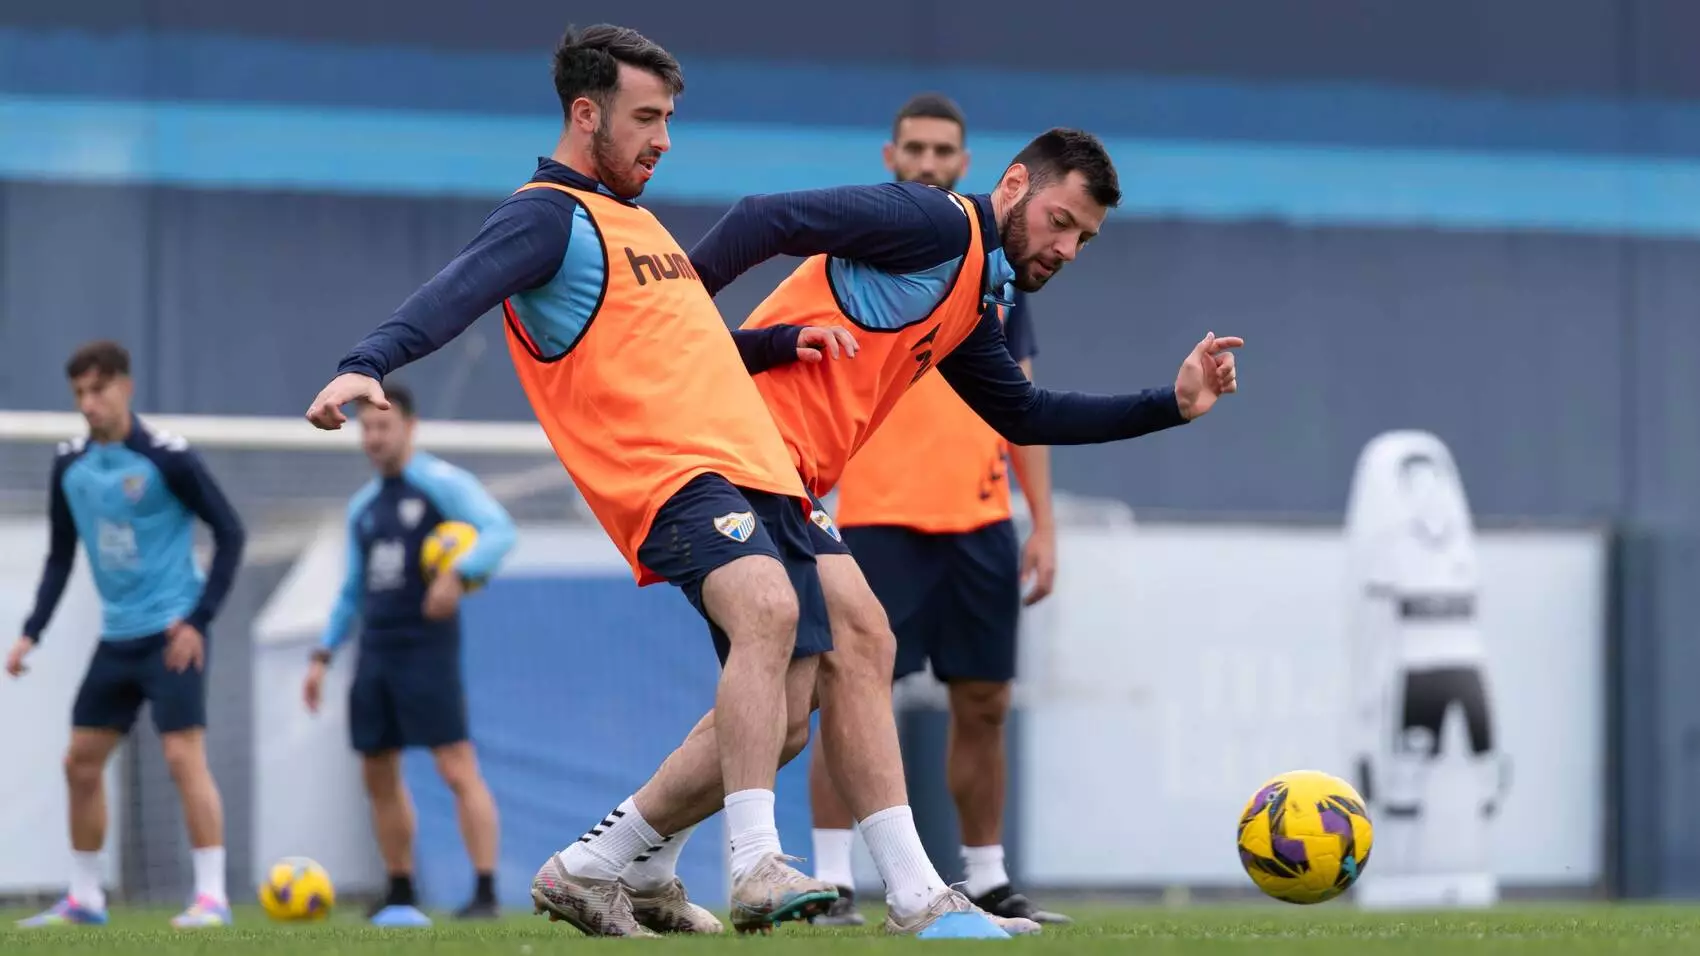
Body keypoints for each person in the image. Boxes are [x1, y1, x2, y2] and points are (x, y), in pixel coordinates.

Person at [564, 128, 1242, 938]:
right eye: (1060, 221)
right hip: (737, 453)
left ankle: (609, 860)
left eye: (1083, 239)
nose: (1066, 248)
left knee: (806, 701)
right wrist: (677, 321)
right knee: (842, 657)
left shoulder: (973, 291)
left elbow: (1024, 414)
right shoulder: (934, 222)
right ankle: (900, 891)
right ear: (1014, 185)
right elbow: (763, 217)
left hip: (782, 475)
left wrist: (1173, 403)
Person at [302, 23, 859, 938]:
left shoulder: (636, 221)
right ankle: (755, 864)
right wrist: (369, 360)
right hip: (671, 474)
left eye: (669, 119)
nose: (663, 139)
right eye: (646, 118)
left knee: (789, 718)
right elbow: (459, 287)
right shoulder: (546, 215)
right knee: (767, 609)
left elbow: (682, 345)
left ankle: (600, 865)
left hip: (757, 472)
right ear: (586, 113)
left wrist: (773, 342)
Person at [807, 92, 1068, 927]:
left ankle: (985, 875)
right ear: (891, 159)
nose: (927, 162)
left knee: (984, 704)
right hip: (877, 519)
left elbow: (1022, 402)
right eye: (913, 149)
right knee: (848, 700)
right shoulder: (860, 253)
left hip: (981, 522)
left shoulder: (999, 270)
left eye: (942, 151)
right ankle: (830, 879)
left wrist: (1042, 523)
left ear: (965, 164)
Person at [9, 340, 247, 929]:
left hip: (172, 632)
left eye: (98, 390)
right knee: (79, 762)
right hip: (117, 638)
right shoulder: (70, 466)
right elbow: (61, 556)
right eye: (79, 394)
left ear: (125, 387)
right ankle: (85, 898)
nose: (88, 404)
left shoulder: (169, 458)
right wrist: (31, 632)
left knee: (182, 757)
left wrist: (198, 620)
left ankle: (211, 897)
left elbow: (231, 533)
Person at [302, 384, 516, 925]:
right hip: (376, 648)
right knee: (377, 769)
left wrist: (458, 573)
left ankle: (486, 891)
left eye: (384, 426)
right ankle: (399, 889)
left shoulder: (442, 484)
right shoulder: (363, 508)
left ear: (410, 428)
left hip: (428, 646)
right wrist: (322, 654)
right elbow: (352, 589)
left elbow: (499, 531)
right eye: (367, 428)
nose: (374, 437)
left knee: (455, 765)